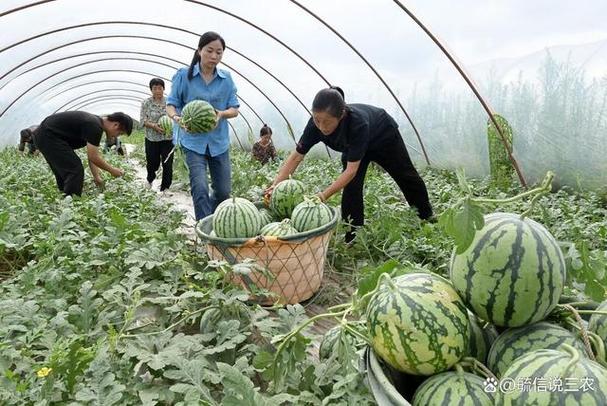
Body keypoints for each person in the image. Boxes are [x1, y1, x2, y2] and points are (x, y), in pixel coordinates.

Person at [266, 87, 433, 242]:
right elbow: (296, 157)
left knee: (405, 175)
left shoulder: (357, 123)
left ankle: (426, 217)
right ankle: (352, 234)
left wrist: (322, 196)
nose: (321, 127)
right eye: (317, 120)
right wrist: (275, 185)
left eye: (327, 122)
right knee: (352, 187)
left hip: (382, 135)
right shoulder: (314, 126)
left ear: (342, 115)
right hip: (353, 145)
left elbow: (351, 170)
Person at [166, 31, 239, 220]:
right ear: (199, 50)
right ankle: (205, 229)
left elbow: (234, 109)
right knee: (199, 188)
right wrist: (177, 119)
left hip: (218, 142)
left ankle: (213, 220)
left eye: (219, 52)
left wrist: (221, 114)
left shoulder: (226, 78)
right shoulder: (184, 75)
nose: (214, 56)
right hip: (192, 142)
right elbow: (171, 104)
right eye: (209, 51)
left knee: (223, 191)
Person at [33, 111, 133, 196]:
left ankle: (65, 198)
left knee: (64, 171)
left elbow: (91, 156)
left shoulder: (95, 124)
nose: (116, 137)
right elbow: (93, 157)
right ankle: (71, 203)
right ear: (116, 125)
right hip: (48, 135)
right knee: (74, 169)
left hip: (44, 135)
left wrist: (97, 177)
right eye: (119, 133)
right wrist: (112, 170)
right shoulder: (94, 126)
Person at [140, 78, 173, 191]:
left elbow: (174, 116)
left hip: (167, 138)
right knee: (152, 163)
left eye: (160, 88)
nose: (158, 90)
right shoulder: (146, 103)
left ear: (164, 89)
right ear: (151, 90)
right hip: (151, 138)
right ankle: (150, 179)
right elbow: (143, 120)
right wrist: (154, 126)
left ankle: (165, 187)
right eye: (155, 88)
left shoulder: (170, 102)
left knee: (167, 164)